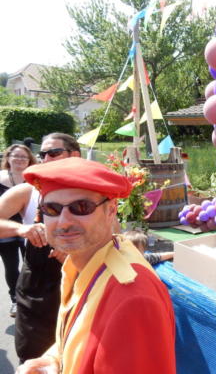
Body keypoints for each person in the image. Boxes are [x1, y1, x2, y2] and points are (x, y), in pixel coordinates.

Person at [16, 157, 176, 374]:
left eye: (81, 207)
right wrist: (55, 359)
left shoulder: (132, 298)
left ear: (111, 211)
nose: (63, 221)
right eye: (51, 209)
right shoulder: (89, 261)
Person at [0, 133, 81, 363]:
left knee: (73, 357)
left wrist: (76, 252)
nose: (46, 158)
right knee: (33, 358)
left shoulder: (93, 194)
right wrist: (20, 230)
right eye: (42, 154)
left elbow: (113, 236)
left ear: (74, 155)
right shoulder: (28, 192)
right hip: (35, 291)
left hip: (78, 286)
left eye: (53, 153)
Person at [0, 144, 36, 317]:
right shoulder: (0, 178)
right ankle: (15, 300)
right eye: (16, 156)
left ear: (30, 160)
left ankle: (29, 298)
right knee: (11, 267)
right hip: (5, 230)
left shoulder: (35, 179)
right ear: (8, 158)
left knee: (30, 266)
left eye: (24, 157)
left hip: (29, 228)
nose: (20, 160)